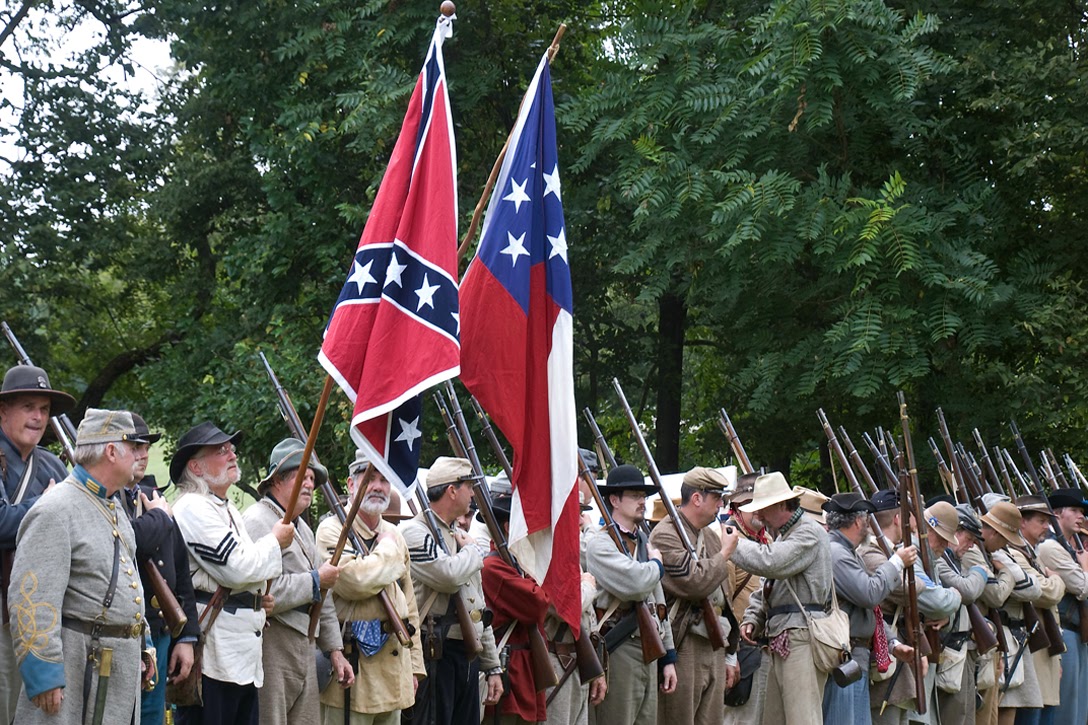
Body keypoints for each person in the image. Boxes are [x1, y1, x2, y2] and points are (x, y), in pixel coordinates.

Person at [9, 408, 150, 724]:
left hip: (116, 670)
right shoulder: (56, 509)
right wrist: (44, 673)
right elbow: (31, 599)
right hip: (76, 667)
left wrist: (145, 644)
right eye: (133, 446)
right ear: (111, 451)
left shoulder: (112, 506)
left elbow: (130, 585)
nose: (141, 455)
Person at [171, 422, 293, 725]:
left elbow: (242, 571)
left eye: (230, 449)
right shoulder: (192, 507)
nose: (232, 454)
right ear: (196, 467)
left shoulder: (224, 509)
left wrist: (254, 597)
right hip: (215, 656)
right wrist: (275, 542)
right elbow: (237, 568)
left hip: (239, 655)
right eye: (220, 451)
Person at [243, 438, 353, 725]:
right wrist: (316, 581)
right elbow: (264, 592)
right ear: (278, 479)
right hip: (272, 643)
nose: (310, 485)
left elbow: (323, 594)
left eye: (312, 479)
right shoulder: (257, 520)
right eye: (302, 476)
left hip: (306, 641)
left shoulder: (302, 526)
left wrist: (334, 650)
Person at [316, 449, 425, 725]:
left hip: (393, 669)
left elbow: (409, 605)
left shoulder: (393, 533)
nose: (378, 486)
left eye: (384, 479)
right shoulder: (332, 530)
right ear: (351, 484)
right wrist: (387, 546)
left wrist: (414, 667)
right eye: (369, 477)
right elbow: (354, 582)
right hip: (353, 671)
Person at [399, 456, 502, 725]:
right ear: (452, 490)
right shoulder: (415, 532)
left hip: (466, 653)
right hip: (434, 653)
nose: (472, 493)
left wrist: (491, 665)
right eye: (469, 486)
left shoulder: (458, 533)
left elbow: (477, 606)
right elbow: (448, 576)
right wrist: (473, 550)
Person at [0, 364, 72, 725]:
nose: (38, 417)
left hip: (43, 616)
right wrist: (45, 506)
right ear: (3, 411)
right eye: (28, 406)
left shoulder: (52, 466)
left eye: (44, 410)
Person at [120, 412, 199, 725]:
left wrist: (187, 638)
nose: (142, 454)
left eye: (145, 446)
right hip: (127, 636)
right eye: (134, 446)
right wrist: (160, 519)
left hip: (163, 633)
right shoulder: (113, 500)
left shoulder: (154, 498)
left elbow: (182, 576)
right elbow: (128, 541)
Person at [734, 471, 832, 725]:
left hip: (800, 635)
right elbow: (770, 586)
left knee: (803, 719)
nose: (758, 516)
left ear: (780, 505)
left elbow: (771, 563)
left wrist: (730, 543)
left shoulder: (808, 533)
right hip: (785, 634)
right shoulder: (787, 535)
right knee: (774, 719)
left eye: (763, 509)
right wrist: (754, 617)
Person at [585, 463, 677, 725]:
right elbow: (637, 584)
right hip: (619, 648)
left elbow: (658, 604)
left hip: (649, 647)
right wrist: (657, 565)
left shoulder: (643, 543)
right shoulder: (600, 544)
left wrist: (668, 657)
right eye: (635, 496)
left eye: (643, 496)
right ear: (614, 500)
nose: (642, 502)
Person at [649, 466, 739, 725]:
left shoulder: (710, 536)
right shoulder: (665, 535)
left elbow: (725, 595)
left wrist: (731, 652)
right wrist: (724, 554)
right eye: (716, 497)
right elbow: (695, 583)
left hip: (714, 641)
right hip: (684, 642)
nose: (721, 504)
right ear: (697, 498)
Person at [821, 492, 917, 725]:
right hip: (844, 658)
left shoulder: (846, 553)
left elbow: (869, 609)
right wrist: (896, 562)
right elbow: (869, 594)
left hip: (854, 658)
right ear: (856, 522)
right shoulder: (836, 554)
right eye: (865, 521)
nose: (868, 527)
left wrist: (892, 644)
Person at [479, 492, 553, 724]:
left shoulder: (517, 564)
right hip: (511, 673)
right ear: (510, 527)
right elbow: (537, 605)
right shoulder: (493, 566)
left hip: (525, 672)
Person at [977, 501, 1044, 725]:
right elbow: (1023, 590)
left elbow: (1034, 588)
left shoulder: (1000, 552)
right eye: (1005, 537)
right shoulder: (984, 553)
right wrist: (1005, 571)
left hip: (1004, 637)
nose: (1006, 544)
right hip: (994, 637)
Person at [930, 501, 991, 725]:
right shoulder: (941, 561)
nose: (971, 546)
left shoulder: (955, 561)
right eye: (969, 538)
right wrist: (981, 571)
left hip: (960, 653)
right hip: (949, 653)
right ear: (956, 532)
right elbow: (967, 591)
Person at [1011, 495, 1066, 725]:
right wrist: (1058, 581)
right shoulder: (1014, 554)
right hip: (1032, 654)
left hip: (1045, 654)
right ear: (1022, 522)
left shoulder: (1031, 554)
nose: (1047, 527)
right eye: (1041, 521)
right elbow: (1046, 594)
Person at [1039, 487, 1088, 725]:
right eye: (1075, 510)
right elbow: (1083, 587)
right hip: (1064, 632)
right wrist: (1086, 566)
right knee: (1066, 710)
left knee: (1078, 709)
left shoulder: (1066, 546)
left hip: (1077, 632)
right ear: (1057, 513)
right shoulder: (1050, 547)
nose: (1081, 516)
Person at [723, 473, 768, 725]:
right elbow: (724, 605)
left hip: (759, 649)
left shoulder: (766, 541)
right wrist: (729, 654)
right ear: (737, 506)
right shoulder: (728, 541)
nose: (760, 510)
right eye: (752, 503)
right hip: (740, 650)